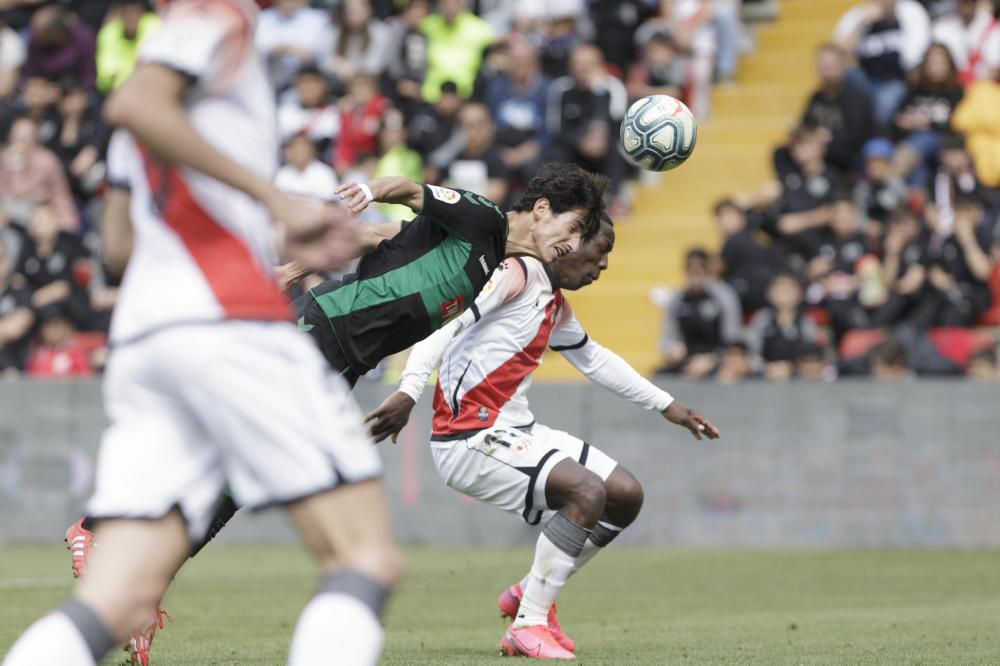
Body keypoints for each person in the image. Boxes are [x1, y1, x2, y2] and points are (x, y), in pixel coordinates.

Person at [3, 3, 401, 666]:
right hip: (226, 320)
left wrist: (264, 228)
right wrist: (277, 203)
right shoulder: (218, 17)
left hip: (147, 335)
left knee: (116, 596)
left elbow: (118, 248)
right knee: (364, 557)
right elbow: (136, 103)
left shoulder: (168, 66)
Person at [364, 214, 720, 659]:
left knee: (625, 494)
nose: (604, 265)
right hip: (469, 438)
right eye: (600, 252)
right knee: (585, 491)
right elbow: (446, 325)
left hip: (516, 431)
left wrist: (669, 405)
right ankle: (529, 621)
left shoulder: (553, 301)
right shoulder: (514, 274)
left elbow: (593, 358)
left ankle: (528, 592)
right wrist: (408, 390)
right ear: (568, 244)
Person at [293, 163, 609, 387]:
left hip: (352, 363)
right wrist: (368, 190)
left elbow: (374, 235)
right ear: (542, 209)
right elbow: (410, 191)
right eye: (574, 229)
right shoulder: (483, 217)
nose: (575, 245)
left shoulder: (495, 262)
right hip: (325, 326)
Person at [834, 0, 931, 127]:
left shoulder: (910, 12)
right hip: (866, 77)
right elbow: (838, 54)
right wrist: (863, 23)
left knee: (885, 103)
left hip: (896, 79)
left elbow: (913, 61)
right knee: (843, 76)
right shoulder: (858, 15)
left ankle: (875, 134)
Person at [658, 248, 743, 379]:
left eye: (700, 267)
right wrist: (672, 349)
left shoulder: (724, 296)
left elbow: (733, 339)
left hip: (718, 360)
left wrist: (712, 359)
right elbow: (666, 339)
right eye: (691, 268)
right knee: (659, 378)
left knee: (726, 377)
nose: (696, 272)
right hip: (687, 361)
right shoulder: (677, 299)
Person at [891, 42, 964, 186]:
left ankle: (890, 179)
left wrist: (927, 123)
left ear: (950, 65)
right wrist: (905, 124)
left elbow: (957, 126)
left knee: (923, 140)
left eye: (940, 62)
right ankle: (914, 200)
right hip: (913, 146)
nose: (936, 67)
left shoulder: (957, 93)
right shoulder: (915, 91)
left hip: (944, 144)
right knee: (918, 167)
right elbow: (895, 122)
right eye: (931, 62)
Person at [800, 43, 875, 173]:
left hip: (846, 156)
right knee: (782, 152)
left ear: (843, 66)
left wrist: (826, 140)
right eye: (822, 65)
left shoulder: (856, 97)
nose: (825, 71)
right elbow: (804, 126)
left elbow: (857, 138)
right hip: (816, 153)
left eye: (830, 66)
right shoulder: (816, 97)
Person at [428, 101, 508, 205]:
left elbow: (495, 195)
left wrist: (457, 196)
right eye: (467, 125)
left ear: (490, 126)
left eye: (478, 124)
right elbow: (442, 191)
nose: (473, 131)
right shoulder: (449, 157)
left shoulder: (497, 158)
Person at [746, 272, 820, 381]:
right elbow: (752, 354)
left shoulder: (806, 322)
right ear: (769, 293)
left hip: (798, 377)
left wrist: (792, 369)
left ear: (799, 293)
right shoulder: (762, 319)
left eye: (789, 287)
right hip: (765, 376)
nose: (784, 291)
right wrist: (767, 368)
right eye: (779, 287)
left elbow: (812, 356)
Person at [419, 0, 495, 101]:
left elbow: (496, 49)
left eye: (454, 4)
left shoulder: (479, 28)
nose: (450, 9)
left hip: (466, 95)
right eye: (446, 5)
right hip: (432, 95)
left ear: (462, 6)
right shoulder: (429, 24)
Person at [95, 0, 160, 93]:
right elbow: (106, 77)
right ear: (120, 15)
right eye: (127, 13)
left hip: (149, 90)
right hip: (118, 92)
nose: (131, 18)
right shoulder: (108, 33)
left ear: (142, 13)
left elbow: (154, 68)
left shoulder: (155, 25)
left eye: (135, 12)